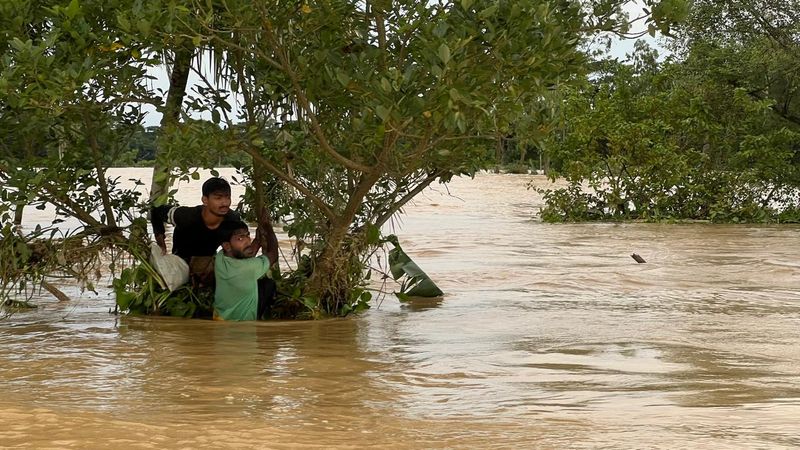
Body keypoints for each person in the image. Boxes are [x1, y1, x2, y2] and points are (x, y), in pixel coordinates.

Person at [150, 177, 240, 286]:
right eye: (218, 198)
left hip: (208, 260)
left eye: (227, 197)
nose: (225, 203)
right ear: (205, 200)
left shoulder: (232, 219)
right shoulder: (186, 216)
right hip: (181, 261)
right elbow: (156, 212)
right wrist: (161, 244)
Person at [213, 216, 279, 321]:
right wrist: (268, 228)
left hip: (220, 319)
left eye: (248, 235)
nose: (248, 241)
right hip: (244, 326)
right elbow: (274, 255)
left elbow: (247, 253)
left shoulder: (220, 257)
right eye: (240, 238)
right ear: (227, 245)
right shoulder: (248, 268)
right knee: (268, 284)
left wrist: (257, 240)